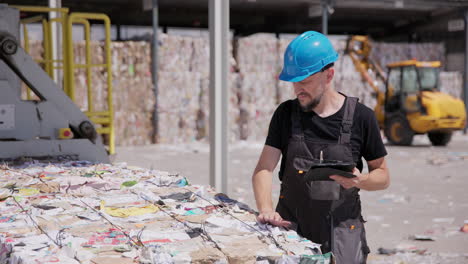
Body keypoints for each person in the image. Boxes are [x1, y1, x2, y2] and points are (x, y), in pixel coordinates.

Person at [252, 31, 390, 264]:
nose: (297, 90)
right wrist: (266, 209)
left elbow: (383, 176)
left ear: (329, 75)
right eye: (294, 82)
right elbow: (263, 168)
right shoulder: (285, 114)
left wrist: (361, 181)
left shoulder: (362, 118)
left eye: (304, 81)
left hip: (343, 236)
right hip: (291, 230)